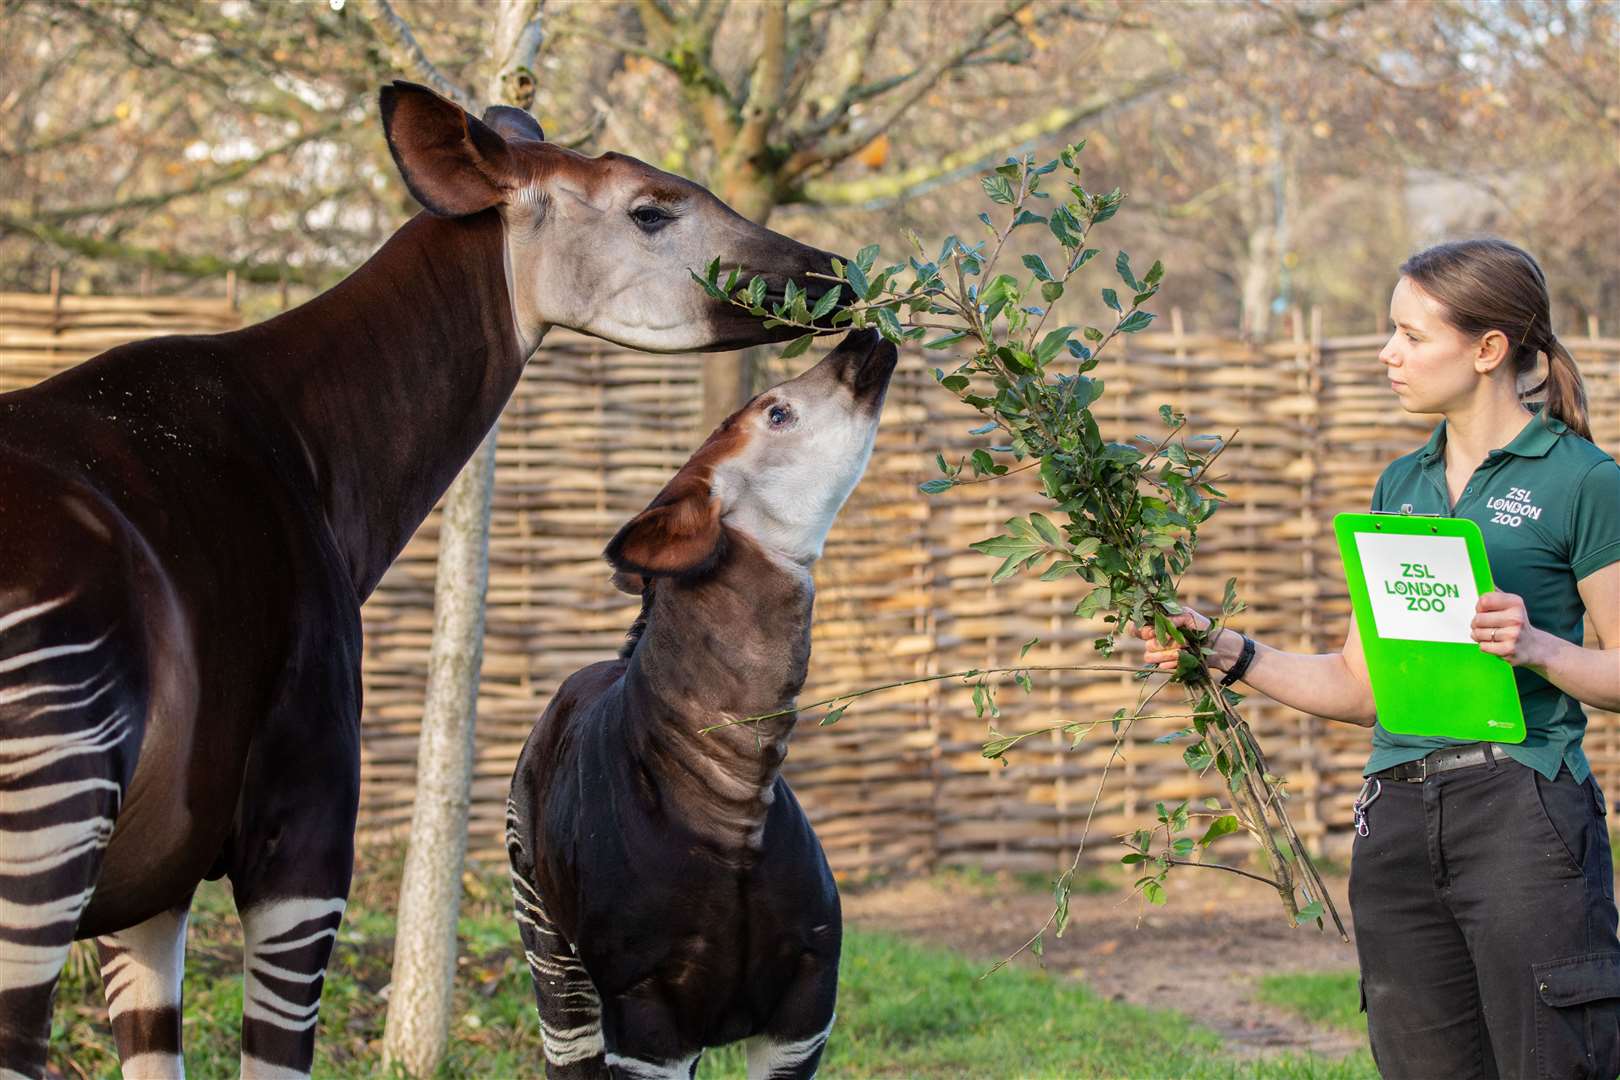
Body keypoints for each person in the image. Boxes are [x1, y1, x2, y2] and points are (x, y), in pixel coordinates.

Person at [1138, 238, 1620, 1078]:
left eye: (1410, 335)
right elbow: (1362, 688)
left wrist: (1539, 648)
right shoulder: (1401, 485)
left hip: (1523, 814)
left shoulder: (1582, 480)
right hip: (1394, 821)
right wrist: (1223, 647)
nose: (1387, 354)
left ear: (1487, 350)